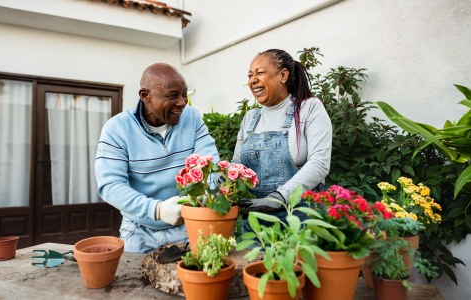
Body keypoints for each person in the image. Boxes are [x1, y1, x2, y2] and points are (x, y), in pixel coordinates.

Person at [95, 63, 219, 253]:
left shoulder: (192, 118)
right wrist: (157, 210)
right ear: (146, 95)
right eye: (172, 96)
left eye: (184, 94)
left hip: (187, 226)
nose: (182, 102)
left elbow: (211, 165)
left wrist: (205, 196)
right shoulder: (117, 129)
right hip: (138, 232)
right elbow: (110, 185)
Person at [234, 49, 332, 229]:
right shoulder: (250, 118)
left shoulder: (308, 108)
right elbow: (237, 165)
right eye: (250, 75)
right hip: (256, 220)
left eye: (260, 73)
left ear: (283, 75)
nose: (253, 80)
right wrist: (216, 178)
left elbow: (320, 163)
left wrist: (279, 197)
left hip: (302, 215)